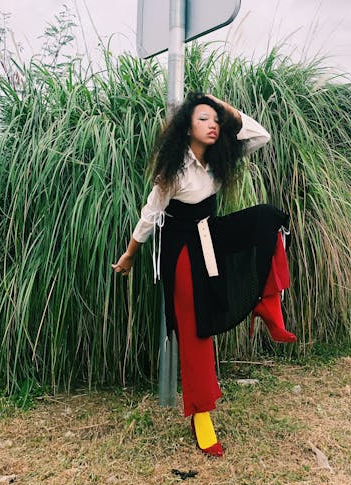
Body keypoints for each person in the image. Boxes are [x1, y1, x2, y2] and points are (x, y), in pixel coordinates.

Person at [112, 92, 296, 457]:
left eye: (216, 119)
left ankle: (267, 304)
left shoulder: (219, 156)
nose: (212, 124)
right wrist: (130, 256)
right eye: (203, 118)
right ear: (186, 128)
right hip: (181, 254)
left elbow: (261, 137)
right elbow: (150, 215)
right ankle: (202, 416)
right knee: (197, 331)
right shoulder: (174, 170)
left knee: (268, 219)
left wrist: (223, 107)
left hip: (209, 237)